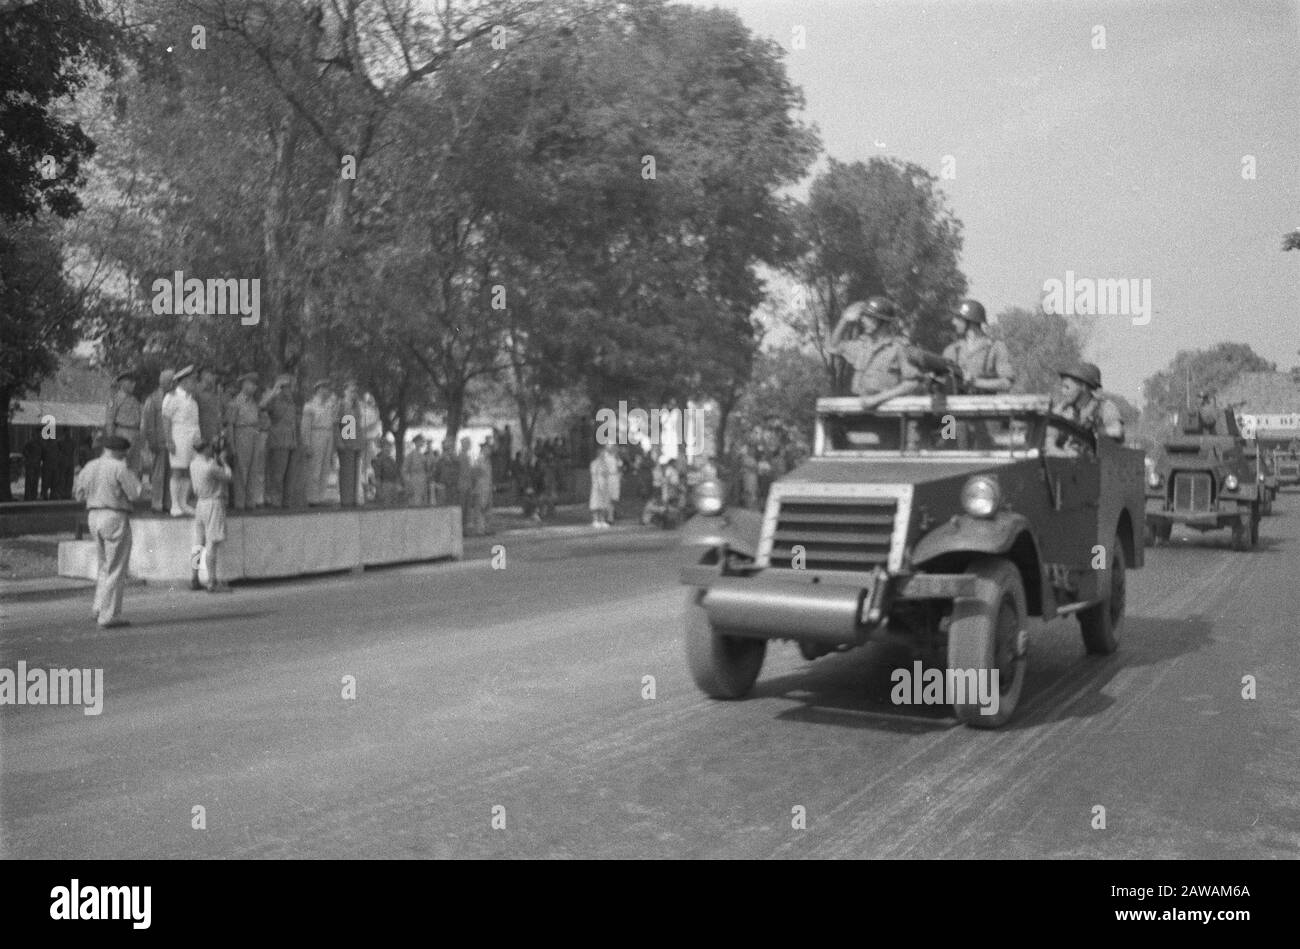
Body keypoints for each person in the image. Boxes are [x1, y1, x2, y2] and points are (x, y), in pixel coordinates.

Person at [73, 434, 142, 628]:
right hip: (114, 515)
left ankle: (98, 607)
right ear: (120, 451)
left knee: (104, 566)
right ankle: (108, 614)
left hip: (93, 515)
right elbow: (135, 494)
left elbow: (78, 494)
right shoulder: (119, 467)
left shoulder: (90, 466)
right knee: (116, 568)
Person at [827, 296, 924, 409]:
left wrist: (876, 399)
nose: (862, 321)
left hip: (889, 414)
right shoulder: (862, 346)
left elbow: (912, 384)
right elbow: (833, 346)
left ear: (881, 321)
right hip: (858, 411)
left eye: (869, 317)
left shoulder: (898, 348)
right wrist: (844, 320)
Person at [1049, 362, 1125, 455]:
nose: (1063, 391)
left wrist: (1093, 430)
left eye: (1067, 387)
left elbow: (1117, 431)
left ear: (1083, 386)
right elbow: (1050, 435)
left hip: (1095, 461)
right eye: (1062, 387)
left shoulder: (1103, 407)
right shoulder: (1064, 410)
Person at [188, 436, 233, 593]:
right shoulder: (210, 466)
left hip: (200, 503)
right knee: (212, 543)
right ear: (206, 448)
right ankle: (212, 581)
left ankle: (194, 577)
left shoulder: (193, 464)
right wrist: (224, 462)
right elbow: (228, 477)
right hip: (214, 502)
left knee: (198, 543)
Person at [942, 299, 1016, 392]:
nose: (954, 322)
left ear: (970, 321)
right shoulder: (952, 350)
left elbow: (1007, 383)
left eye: (958, 318)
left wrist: (976, 382)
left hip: (985, 405)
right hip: (956, 405)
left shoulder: (995, 348)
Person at [163, 365, 201, 516]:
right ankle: (175, 505)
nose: (195, 384)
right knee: (178, 470)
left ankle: (183, 502)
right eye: (192, 381)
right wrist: (169, 440)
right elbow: (166, 419)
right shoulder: (172, 397)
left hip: (192, 437)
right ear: (184, 382)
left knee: (188, 470)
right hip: (179, 436)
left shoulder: (191, 400)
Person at [140, 368, 174, 513]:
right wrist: (152, 441)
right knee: (158, 475)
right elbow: (147, 422)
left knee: (171, 475)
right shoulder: (153, 399)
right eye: (172, 381)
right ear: (165, 382)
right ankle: (157, 503)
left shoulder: (173, 398)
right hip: (158, 442)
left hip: (172, 443)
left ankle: (168, 503)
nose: (174, 384)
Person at [225, 372, 261, 510]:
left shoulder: (253, 402)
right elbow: (230, 425)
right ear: (245, 384)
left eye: (255, 385)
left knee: (253, 469)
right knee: (241, 469)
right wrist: (232, 445)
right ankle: (239, 502)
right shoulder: (235, 403)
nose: (254, 387)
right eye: (252, 384)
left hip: (253, 434)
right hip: (241, 434)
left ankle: (250, 501)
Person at [261, 374, 297, 508]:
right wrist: (274, 390)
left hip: (291, 441)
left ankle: (287, 501)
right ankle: (276, 501)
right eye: (285, 387)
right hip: (278, 440)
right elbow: (262, 406)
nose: (289, 390)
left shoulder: (291, 402)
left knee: (290, 475)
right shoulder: (274, 400)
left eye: (289, 387)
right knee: (277, 473)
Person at [299, 380, 338, 506]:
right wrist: (307, 444)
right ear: (319, 389)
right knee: (315, 467)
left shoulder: (329, 406)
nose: (328, 391)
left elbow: (334, 422)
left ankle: (321, 497)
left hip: (328, 434)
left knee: (325, 468)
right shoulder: (310, 406)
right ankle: (312, 498)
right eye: (325, 388)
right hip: (316, 434)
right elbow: (305, 428)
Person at [104, 372, 143, 474]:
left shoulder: (135, 399)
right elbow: (109, 420)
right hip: (122, 433)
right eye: (130, 382)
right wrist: (112, 440)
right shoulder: (115, 399)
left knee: (134, 467)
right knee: (120, 465)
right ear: (122, 383)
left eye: (134, 382)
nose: (134, 385)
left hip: (135, 435)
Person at [335, 380, 364, 508]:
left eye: (355, 391)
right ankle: (346, 500)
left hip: (356, 442)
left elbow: (358, 425)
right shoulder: (341, 404)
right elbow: (336, 424)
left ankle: (353, 499)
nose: (354, 394)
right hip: (347, 442)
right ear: (345, 391)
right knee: (347, 472)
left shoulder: (356, 406)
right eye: (351, 391)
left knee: (355, 473)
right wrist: (339, 441)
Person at [372, 437, 403, 505]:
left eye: (389, 447)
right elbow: (377, 475)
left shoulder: (391, 460)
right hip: (385, 484)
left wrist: (398, 484)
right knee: (386, 504)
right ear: (382, 448)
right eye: (386, 446)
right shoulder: (379, 460)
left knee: (394, 504)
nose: (388, 449)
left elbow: (396, 473)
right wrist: (379, 489)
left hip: (393, 484)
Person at [404, 434, 431, 505]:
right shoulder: (411, 455)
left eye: (422, 441)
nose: (422, 443)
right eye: (420, 441)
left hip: (423, 479)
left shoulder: (423, 455)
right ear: (416, 442)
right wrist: (408, 482)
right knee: (416, 500)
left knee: (424, 499)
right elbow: (405, 470)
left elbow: (428, 467)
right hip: (415, 479)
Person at [22, 434, 41, 501]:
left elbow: (41, 453)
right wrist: (30, 458)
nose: (39, 435)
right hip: (30, 465)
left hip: (37, 465)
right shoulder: (30, 442)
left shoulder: (39, 443)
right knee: (29, 481)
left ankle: (33, 496)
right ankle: (27, 496)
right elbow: (24, 451)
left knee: (35, 481)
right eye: (37, 434)